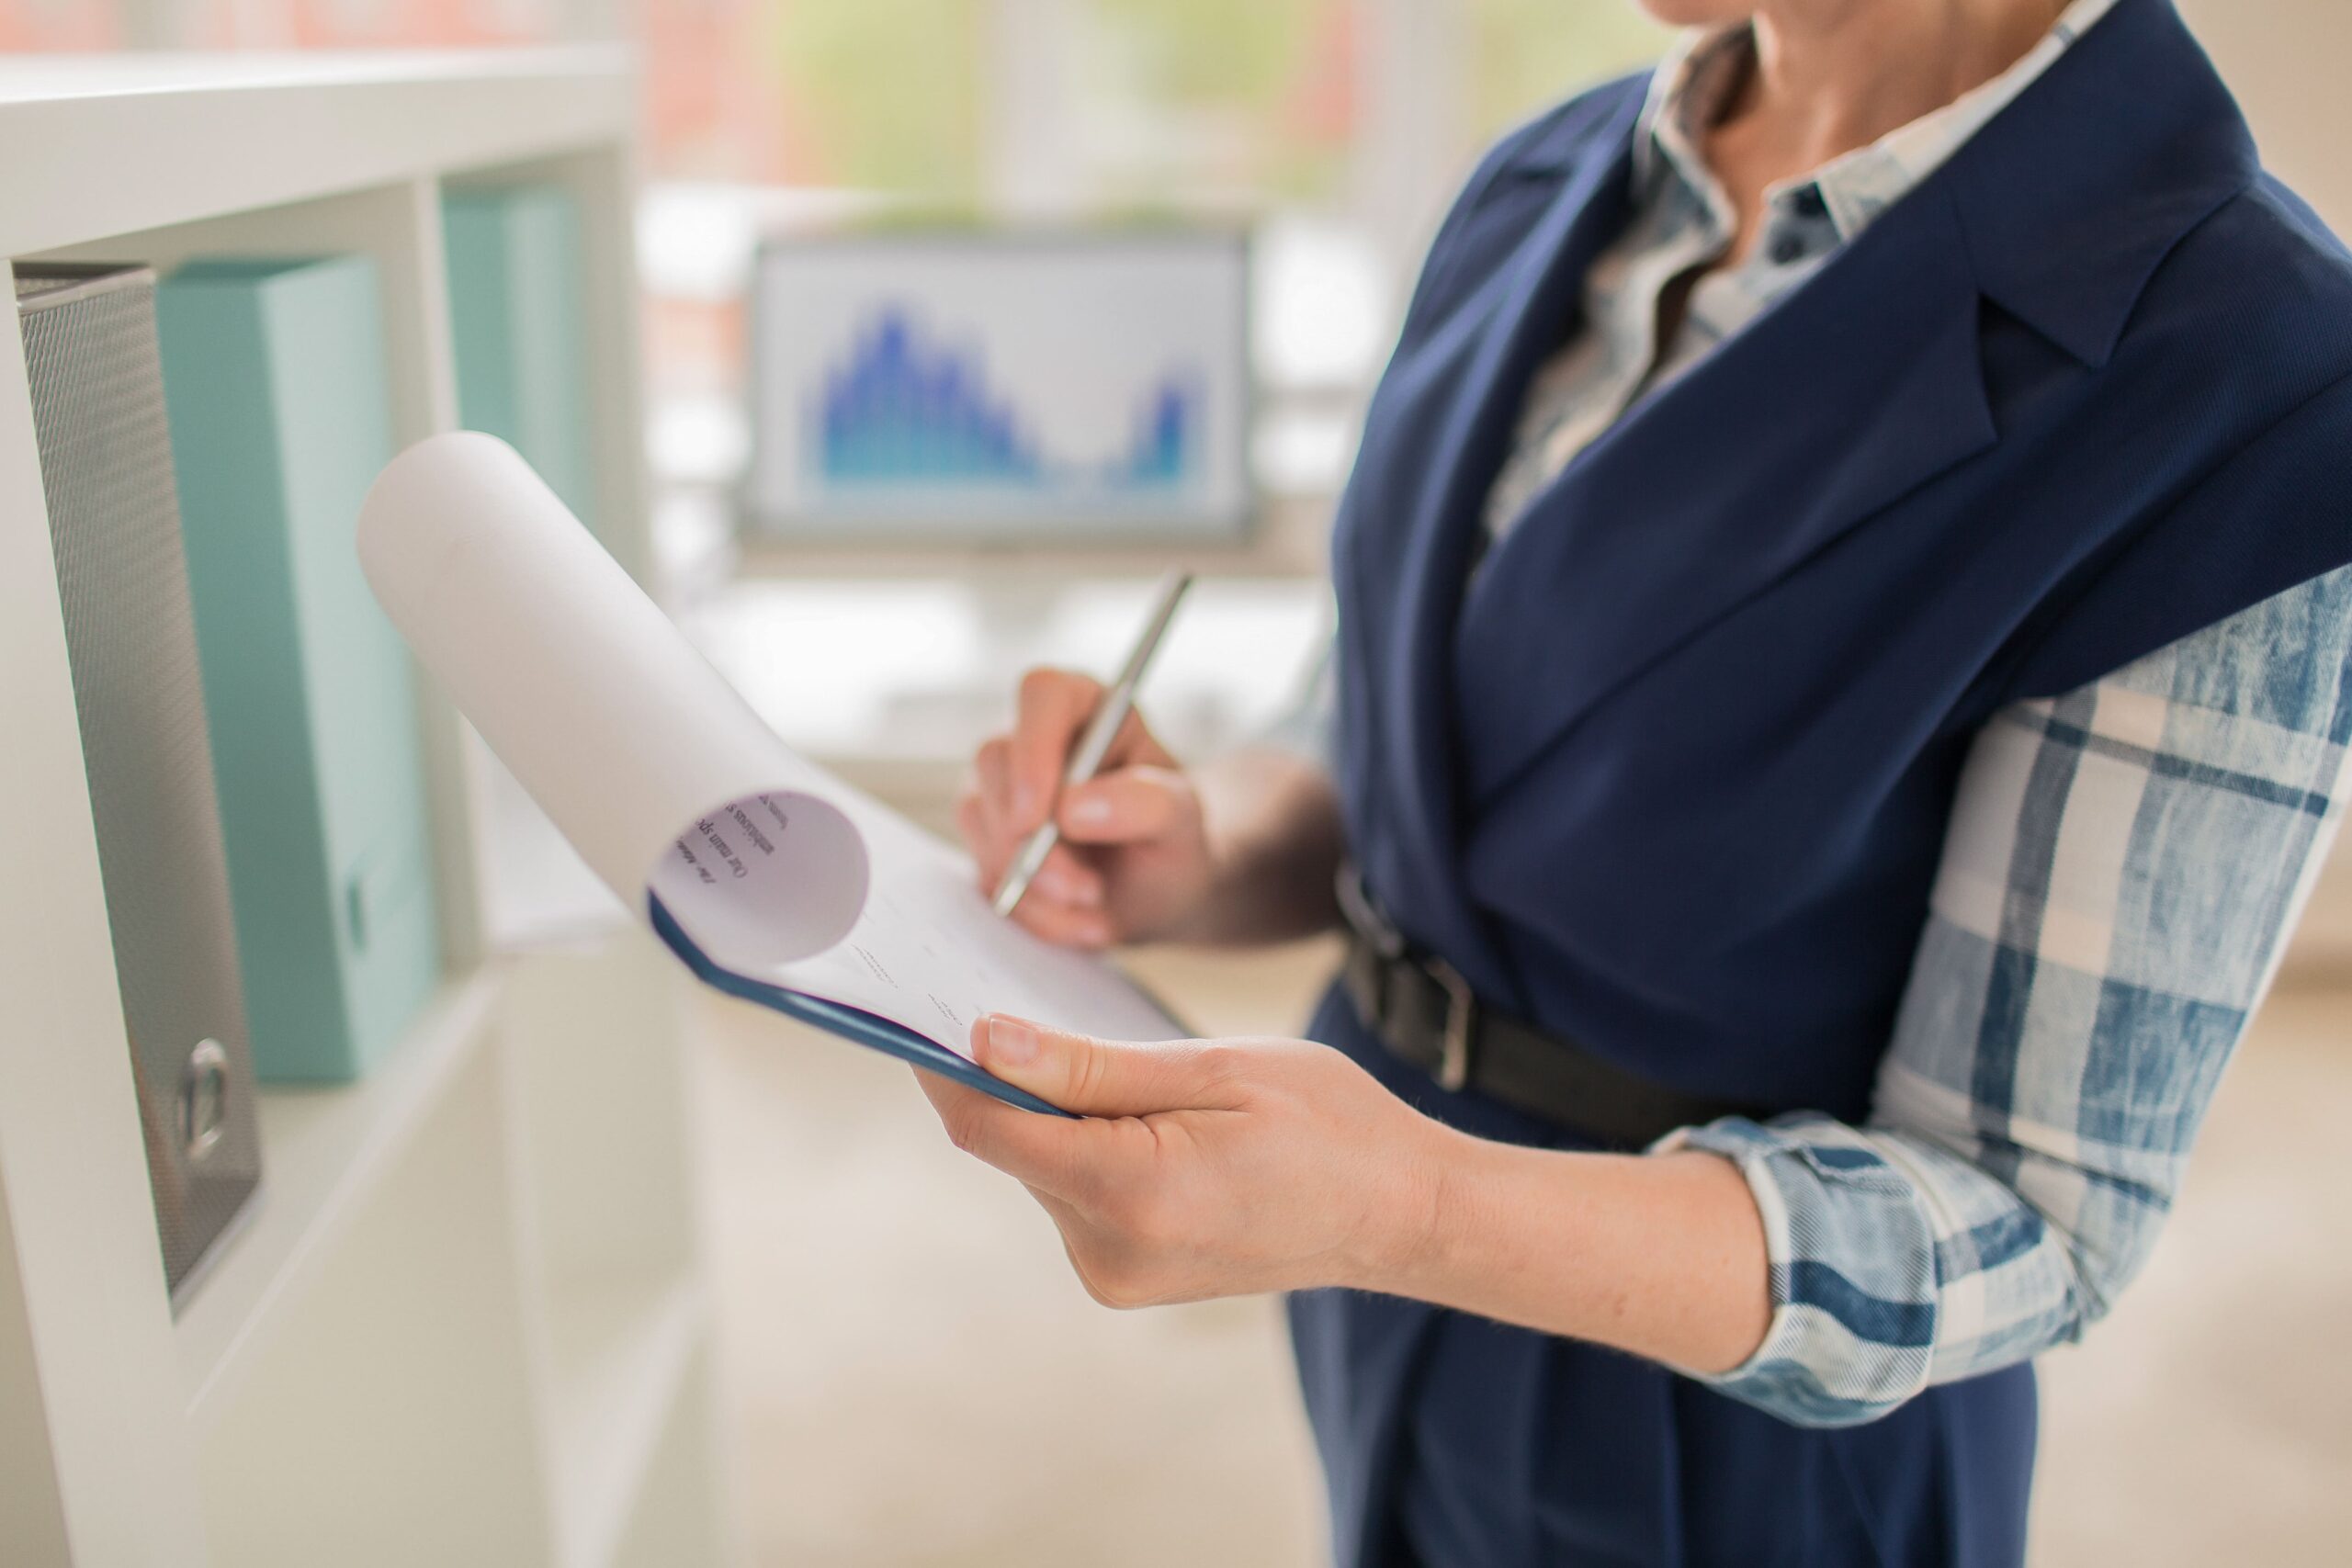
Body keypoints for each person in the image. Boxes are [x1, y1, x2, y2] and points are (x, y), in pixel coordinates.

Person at [919, 1, 2352, 1562]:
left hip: (1737, 1435)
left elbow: (2026, 1216)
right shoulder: (1551, 176)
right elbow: (1387, 712)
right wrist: (1206, 840)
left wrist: (1410, 1208)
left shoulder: (2258, 383)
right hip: (1382, 1282)